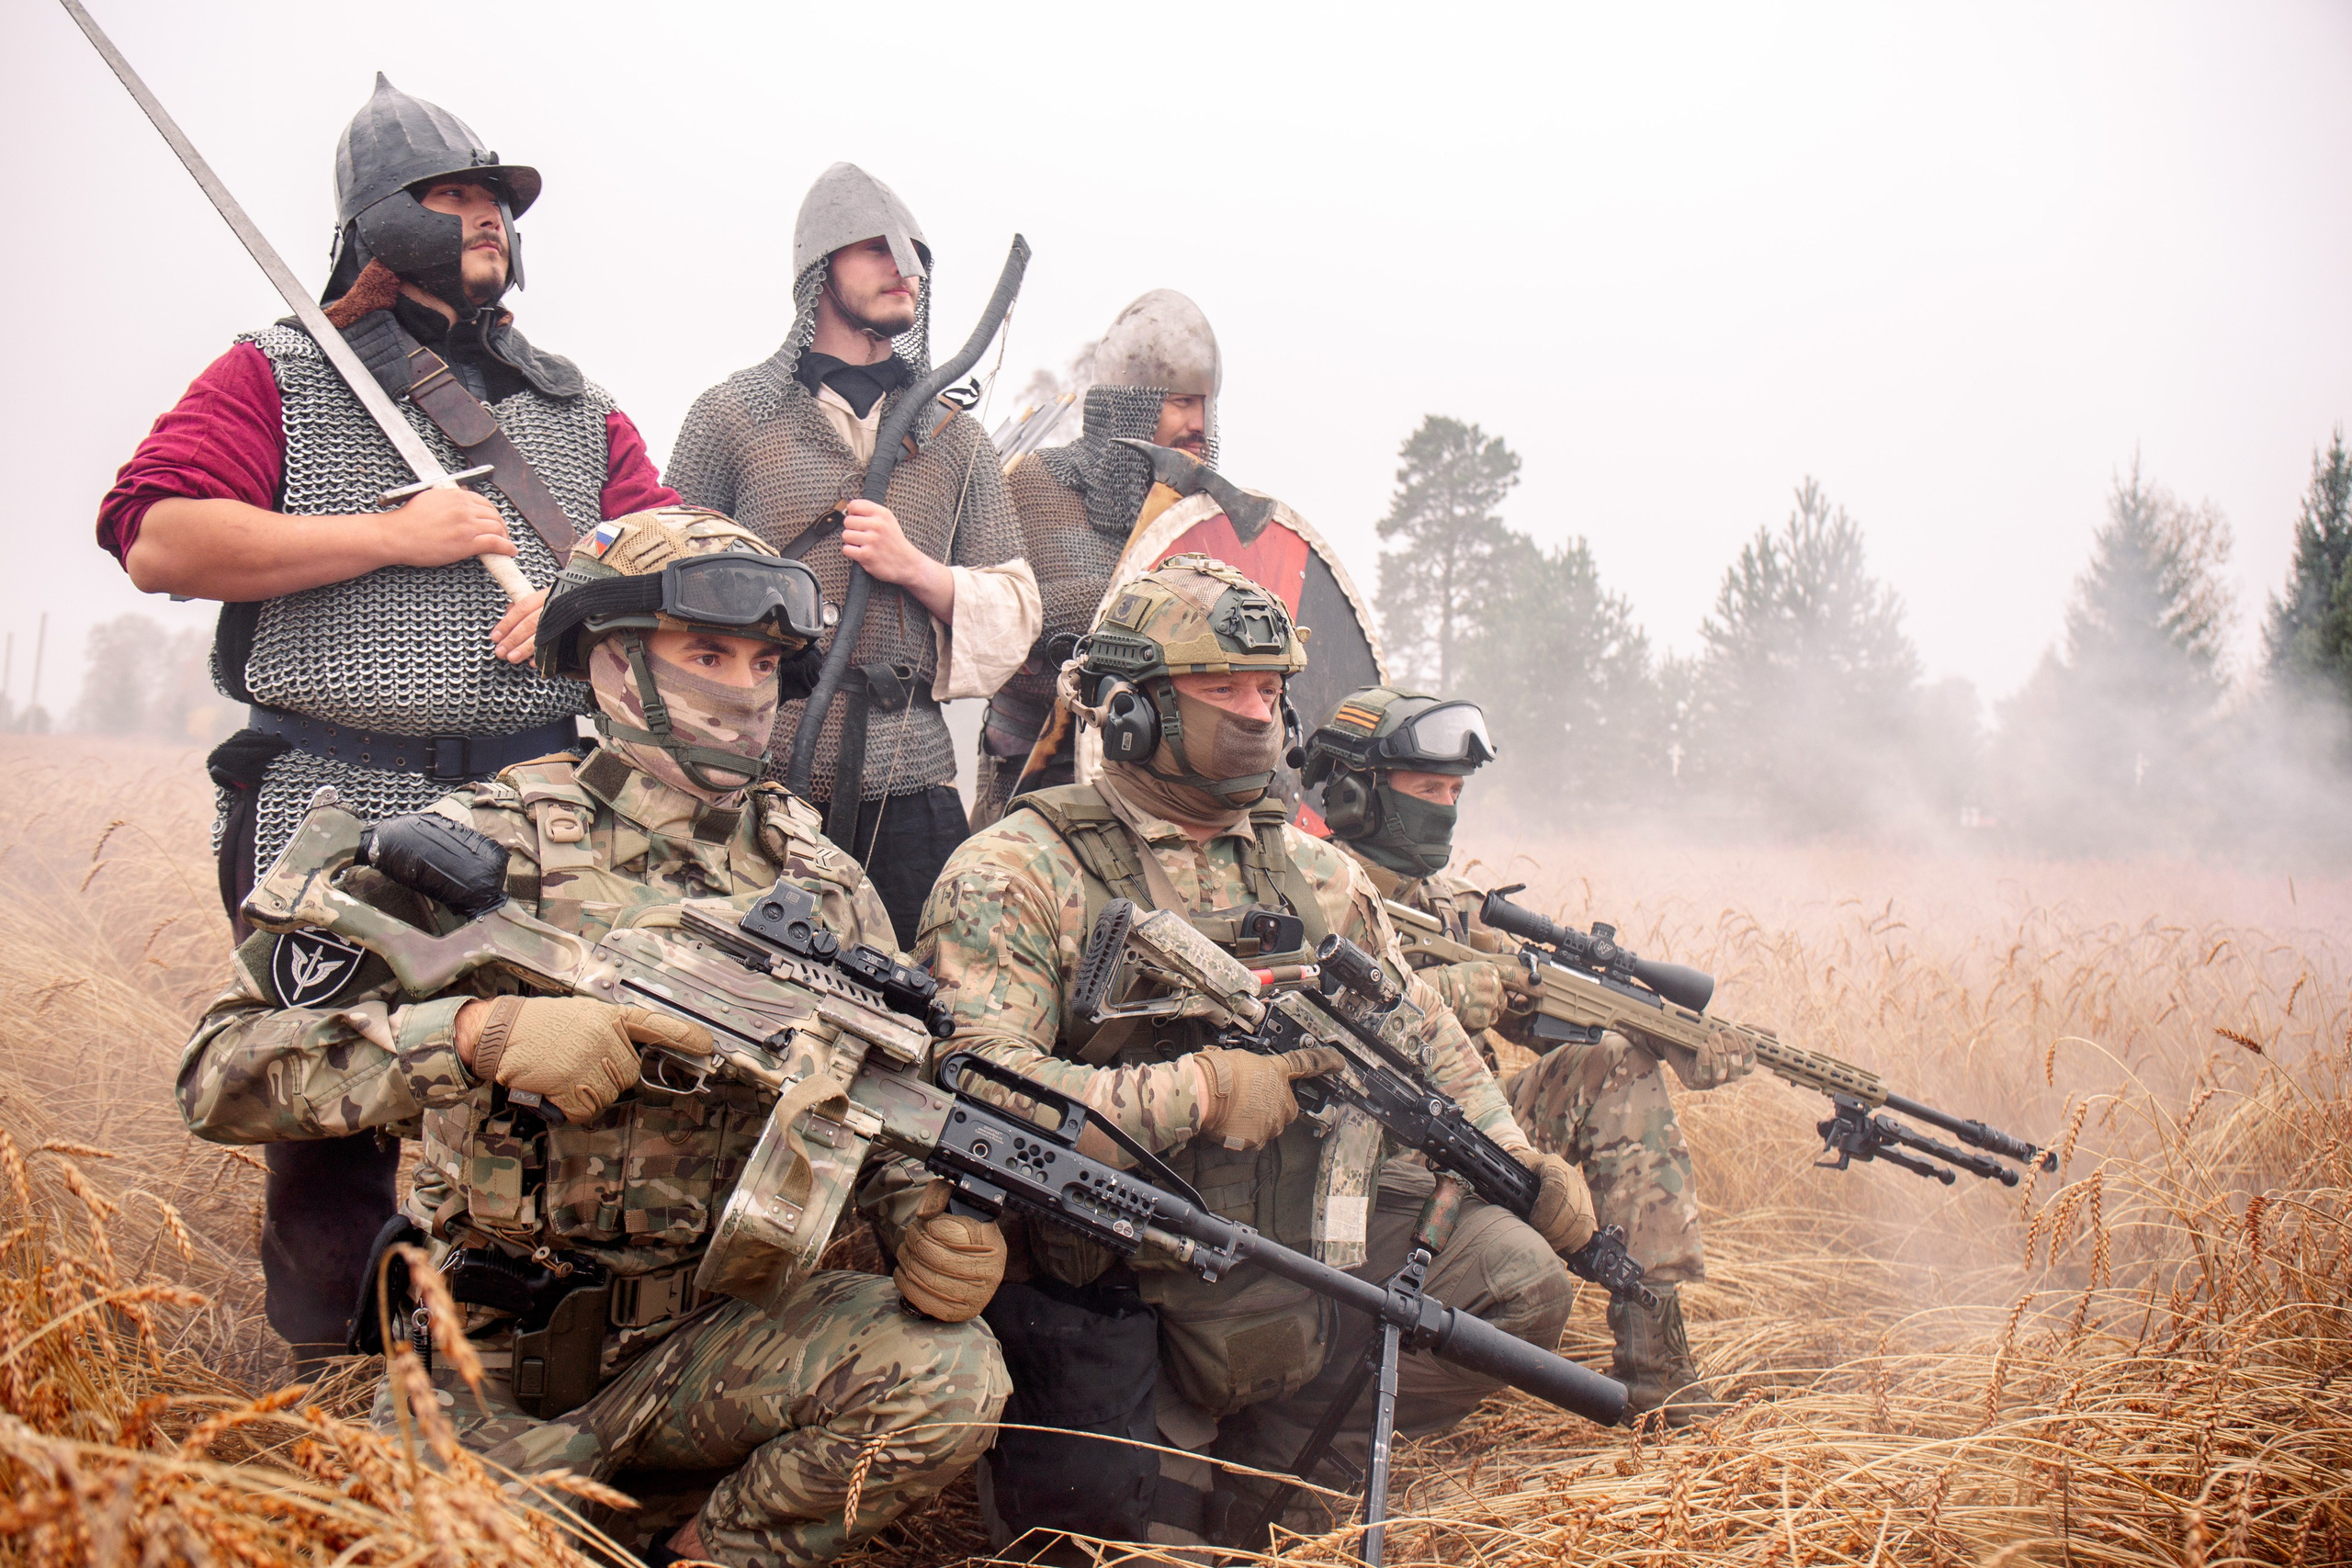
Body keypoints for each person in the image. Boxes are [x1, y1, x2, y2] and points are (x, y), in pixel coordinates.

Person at [177, 510, 1011, 1567]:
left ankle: (699, 1552)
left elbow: (879, 1105)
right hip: (485, 1358)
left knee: (947, 1372)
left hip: (710, 1345)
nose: (746, 689)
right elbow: (218, 1075)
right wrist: (474, 1032)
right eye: (705, 653)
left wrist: (933, 1219)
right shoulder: (479, 847)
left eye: (765, 662)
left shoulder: (822, 884)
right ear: (615, 662)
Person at [96, 74, 679, 1370]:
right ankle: (339, 1399)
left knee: (549, 1107)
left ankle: (517, 1388)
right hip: (330, 797)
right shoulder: (281, 373)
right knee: (332, 1119)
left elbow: (672, 559)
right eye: (453, 196)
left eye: (495, 201)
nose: (485, 218)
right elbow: (157, 537)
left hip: (536, 808)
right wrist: (389, 535)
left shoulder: (577, 408)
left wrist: (589, 601)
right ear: (377, 221)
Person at [917, 557, 1601, 1553]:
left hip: (1301, 1242)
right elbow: (973, 1094)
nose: (1255, 713)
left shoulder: (1317, 872)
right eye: (1220, 687)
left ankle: (1287, 1457)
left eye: (1270, 690)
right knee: (1110, 1539)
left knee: (1518, 1279)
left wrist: (1515, 1154)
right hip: (1116, 1283)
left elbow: (1419, 1028)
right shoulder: (1017, 870)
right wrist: (1192, 1091)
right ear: (1135, 709)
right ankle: (1180, 1475)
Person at [1302, 686, 1756, 1426]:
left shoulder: (1448, 902)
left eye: (1455, 790)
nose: (1446, 806)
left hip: (1472, 1133)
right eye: (1427, 788)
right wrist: (1459, 991)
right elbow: (1309, 1013)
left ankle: (1657, 1366)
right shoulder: (1310, 882)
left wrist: (1672, 1037)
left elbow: (1539, 1005)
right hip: (1363, 1161)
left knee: (1615, 1063)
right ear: (1359, 792)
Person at [665, 163, 1038, 944]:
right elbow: (662, 579)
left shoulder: (953, 437)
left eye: (914, 256)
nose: (902, 268)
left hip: (912, 781)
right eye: (874, 248)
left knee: (925, 996)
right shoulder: (733, 418)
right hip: (761, 774)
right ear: (819, 273)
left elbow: (1015, 611)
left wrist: (918, 570)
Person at [972, 290, 1222, 826]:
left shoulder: (1204, 520)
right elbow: (1024, 624)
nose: (1199, 422)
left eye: (1206, 403)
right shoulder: (1039, 486)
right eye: (1181, 402)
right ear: (1130, 408)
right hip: (1038, 768)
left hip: (1158, 777)